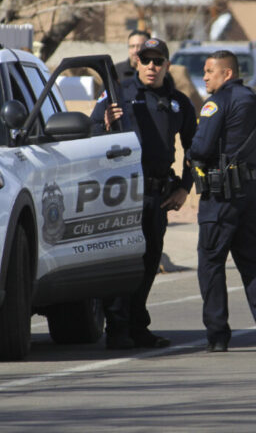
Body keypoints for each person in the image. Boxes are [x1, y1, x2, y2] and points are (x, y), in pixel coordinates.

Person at [91, 37, 197, 349]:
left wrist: (184, 188)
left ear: (166, 64)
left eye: (158, 61)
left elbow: (195, 148)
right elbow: (91, 133)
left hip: (157, 193)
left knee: (149, 261)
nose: (151, 66)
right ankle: (117, 327)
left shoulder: (178, 102)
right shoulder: (117, 93)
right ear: (137, 62)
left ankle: (137, 326)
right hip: (122, 192)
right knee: (123, 259)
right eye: (146, 60)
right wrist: (105, 125)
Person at [188, 50, 256, 353]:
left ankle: (217, 334)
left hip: (221, 198)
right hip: (251, 196)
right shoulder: (254, 100)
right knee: (250, 262)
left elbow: (201, 147)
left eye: (210, 71)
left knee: (211, 264)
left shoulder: (217, 102)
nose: (205, 76)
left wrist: (190, 153)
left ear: (227, 74)